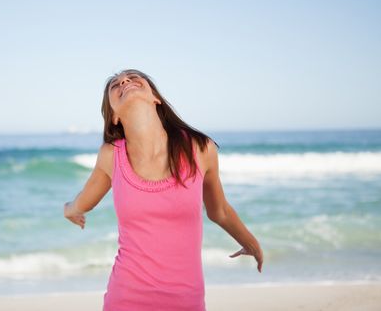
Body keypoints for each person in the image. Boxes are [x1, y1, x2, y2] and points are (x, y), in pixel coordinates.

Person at [64, 69, 264, 310]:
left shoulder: (200, 149)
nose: (124, 82)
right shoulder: (111, 156)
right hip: (126, 298)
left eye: (133, 77)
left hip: (185, 300)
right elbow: (84, 202)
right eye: (115, 85)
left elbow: (218, 210)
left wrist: (251, 243)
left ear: (155, 97)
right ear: (114, 116)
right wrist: (70, 210)